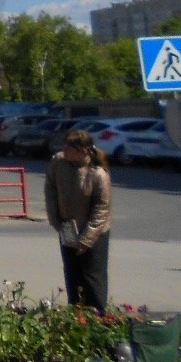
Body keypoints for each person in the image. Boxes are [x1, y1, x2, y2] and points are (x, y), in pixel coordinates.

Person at [45, 129, 112, 313]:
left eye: (70, 147)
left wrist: (86, 239)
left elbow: (101, 209)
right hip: (67, 228)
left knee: (91, 276)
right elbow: (50, 189)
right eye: (65, 145)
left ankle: (98, 316)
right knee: (72, 274)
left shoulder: (98, 173)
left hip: (94, 232)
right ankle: (75, 314)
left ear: (83, 151)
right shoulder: (58, 162)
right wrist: (55, 220)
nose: (65, 150)